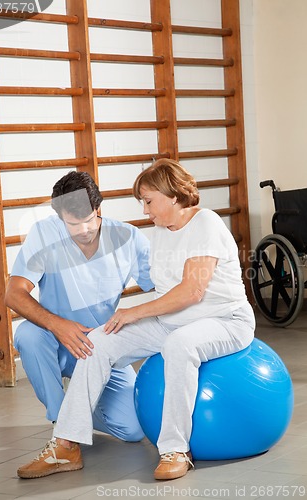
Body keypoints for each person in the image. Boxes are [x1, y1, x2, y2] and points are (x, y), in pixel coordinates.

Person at [17, 159, 255, 481]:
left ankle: (175, 449)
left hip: (225, 319)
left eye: (148, 201)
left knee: (179, 345)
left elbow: (191, 291)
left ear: (172, 195)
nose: (144, 210)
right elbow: (160, 287)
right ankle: (66, 445)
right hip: (174, 320)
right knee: (98, 342)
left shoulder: (206, 224)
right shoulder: (159, 233)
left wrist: (133, 313)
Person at [5, 170, 154, 478]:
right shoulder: (44, 234)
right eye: (73, 224)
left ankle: (77, 415)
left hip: (101, 347)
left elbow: (161, 287)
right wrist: (58, 325)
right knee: (28, 336)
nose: (84, 229)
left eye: (89, 218)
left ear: (99, 207)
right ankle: (64, 437)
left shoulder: (128, 237)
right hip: (55, 341)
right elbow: (14, 294)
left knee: (132, 429)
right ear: (60, 217)